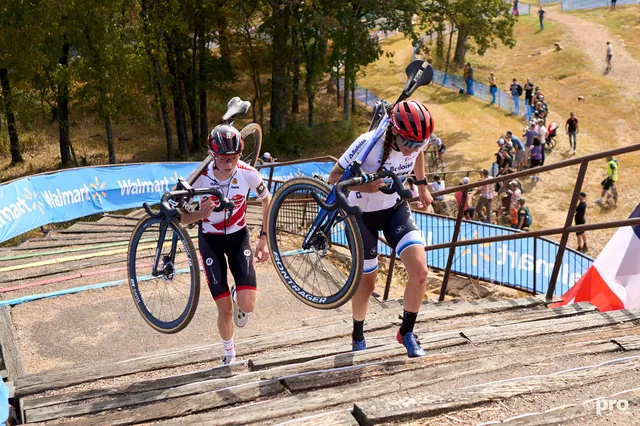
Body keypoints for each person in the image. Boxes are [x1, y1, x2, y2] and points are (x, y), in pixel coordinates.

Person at [328, 99, 434, 358]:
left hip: (394, 209)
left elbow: (419, 153)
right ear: (395, 131)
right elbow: (333, 178)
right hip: (361, 216)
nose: (412, 149)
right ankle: (358, 334)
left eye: (418, 143)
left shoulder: (417, 140)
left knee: (420, 272)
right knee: (367, 283)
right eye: (408, 142)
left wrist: (421, 185)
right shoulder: (368, 144)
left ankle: (406, 332)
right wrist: (364, 187)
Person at [180, 124, 272, 365]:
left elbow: (267, 200)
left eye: (234, 157)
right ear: (213, 155)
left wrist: (264, 238)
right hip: (210, 240)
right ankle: (229, 353)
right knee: (225, 310)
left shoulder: (247, 172)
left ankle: (237, 294)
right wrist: (198, 215)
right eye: (224, 158)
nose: (230, 163)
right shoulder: (199, 178)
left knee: (247, 305)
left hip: (238, 236)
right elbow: (179, 217)